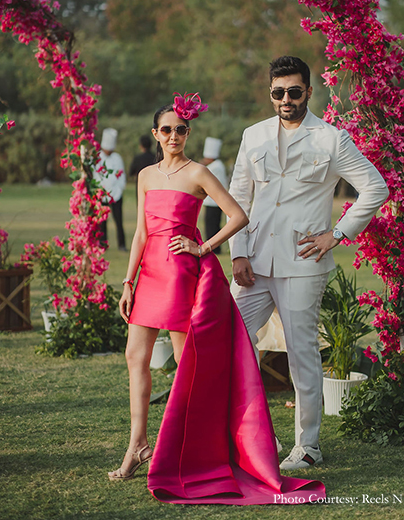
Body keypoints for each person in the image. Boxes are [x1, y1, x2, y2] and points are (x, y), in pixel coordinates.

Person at [108, 91, 325, 506]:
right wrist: (127, 281)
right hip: (147, 275)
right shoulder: (145, 175)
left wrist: (202, 248)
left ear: (188, 133)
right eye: (167, 129)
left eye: (182, 129)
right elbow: (138, 233)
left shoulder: (198, 173)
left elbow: (239, 215)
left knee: (185, 371)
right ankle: (137, 446)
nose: (175, 135)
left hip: (178, 276)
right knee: (135, 360)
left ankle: (186, 452)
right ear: (156, 133)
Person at [229, 56, 389, 472]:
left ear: (308, 92)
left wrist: (337, 233)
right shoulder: (253, 136)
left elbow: (376, 186)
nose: (286, 99)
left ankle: (308, 446)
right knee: (230, 341)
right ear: (270, 93)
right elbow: (238, 197)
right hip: (254, 262)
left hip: (303, 262)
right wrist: (238, 252)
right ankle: (257, 434)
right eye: (278, 92)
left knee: (301, 354)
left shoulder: (332, 139)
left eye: (294, 92)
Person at [95, 128, 127, 251]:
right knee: (102, 222)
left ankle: (122, 244)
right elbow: (96, 176)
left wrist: (119, 189)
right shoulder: (97, 157)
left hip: (116, 194)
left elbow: (121, 175)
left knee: (119, 221)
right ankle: (102, 244)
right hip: (102, 194)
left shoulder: (117, 158)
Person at [201, 136, 228, 254]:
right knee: (210, 225)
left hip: (214, 202)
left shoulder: (216, 166)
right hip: (211, 201)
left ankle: (215, 247)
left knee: (213, 225)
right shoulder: (216, 165)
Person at [129, 134, 156, 201]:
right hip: (154, 186)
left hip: (140, 186)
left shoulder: (137, 158)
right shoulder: (156, 158)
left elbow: (131, 172)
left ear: (141, 146)